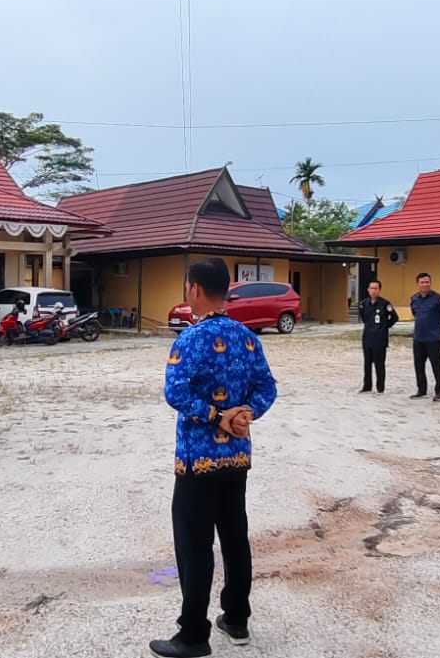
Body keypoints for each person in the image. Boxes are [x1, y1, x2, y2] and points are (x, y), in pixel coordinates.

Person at [149, 259, 278, 658]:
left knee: (195, 545)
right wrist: (246, 414)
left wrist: (217, 416)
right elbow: (267, 386)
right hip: (236, 459)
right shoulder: (247, 336)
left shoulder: (190, 339)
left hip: (197, 460)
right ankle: (236, 618)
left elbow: (176, 393)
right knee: (235, 537)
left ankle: (193, 635)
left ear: (195, 289)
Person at [408, 272, 440, 401]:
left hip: (433, 338)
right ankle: (421, 390)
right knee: (419, 365)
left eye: (427, 282)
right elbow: (415, 314)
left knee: (437, 364)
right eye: (422, 282)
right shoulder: (414, 299)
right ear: (418, 284)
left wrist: (434, 325)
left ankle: (439, 391)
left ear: (430, 283)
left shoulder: (439, 299)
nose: (425, 284)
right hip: (419, 338)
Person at [357, 279, 398, 393]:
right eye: (371, 288)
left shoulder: (385, 304)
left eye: (376, 288)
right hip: (368, 337)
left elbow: (395, 317)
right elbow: (364, 318)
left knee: (379, 364)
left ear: (379, 290)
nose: (373, 291)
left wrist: (384, 326)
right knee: (367, 364)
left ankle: (380, 387)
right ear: (368, 290)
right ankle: (367, 386)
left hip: (380, 338)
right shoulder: (363, 304)